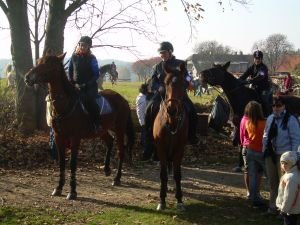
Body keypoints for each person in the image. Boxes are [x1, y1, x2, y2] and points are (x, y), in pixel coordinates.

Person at [145, 41, 199, 146]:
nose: (161, 55)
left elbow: (187, 76)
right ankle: (149, 136)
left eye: (163, 52)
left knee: (192, 112)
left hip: (179, 95)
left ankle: (192, 136)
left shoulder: (180, 63)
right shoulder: (158, 67)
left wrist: (191, 82)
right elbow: (153, 82)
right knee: (148, 110)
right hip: (162, 94)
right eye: (160, 53)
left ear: (170, 52)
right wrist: (159, 87)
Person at [262, 96, 300, 214]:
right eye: (274, 106)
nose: (276, 108)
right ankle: (273, 206)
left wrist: (294, 157)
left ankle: (284, 209)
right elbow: (265, 135)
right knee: (272, 181)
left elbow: (296, 139)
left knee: (284, 183)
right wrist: (264, 149)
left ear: (284, 106)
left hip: (285, 157)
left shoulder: (290, 120)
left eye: (278, 105)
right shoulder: (270, 118)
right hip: (270, 154)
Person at [68, 36, 101, 132]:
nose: (82, 47)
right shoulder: (73, 57)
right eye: (81, 45)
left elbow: (96, 75)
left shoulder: (92, 58)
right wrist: (73, 83)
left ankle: (97, 123)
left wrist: (85, 85)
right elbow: (70, 71)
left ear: (88, 47)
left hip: (89, 86)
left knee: (89, 100)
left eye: (84, 45)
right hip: (75, 86)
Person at [240, 101, 266, 207]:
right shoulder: (265, 122)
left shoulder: (246, 122)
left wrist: (243, 144)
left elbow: (242, 135)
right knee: (265, 174)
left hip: (249, 148)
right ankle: (258, 194)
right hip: (261, 150)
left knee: (251, 173)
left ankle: (252, 196)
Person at [239, 50, 272, 116]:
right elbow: (244, 75)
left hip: (264, 89)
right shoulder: (251, 67)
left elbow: (259, 77)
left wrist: (249, 81)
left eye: (259, 58)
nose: (257, 60)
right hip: (255, 88)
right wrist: (238, 81)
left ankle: (268, 116)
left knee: (263, 99)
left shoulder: (264, 68)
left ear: (261, 59)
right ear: (254, 59)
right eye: (256, 58)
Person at [276, 151, 300, 225]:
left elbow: (289, 196)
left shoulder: (291, 178)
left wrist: (284, 210)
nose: (283, 165)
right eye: (282, 163)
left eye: (286, 163)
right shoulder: (290, 174)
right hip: (293, 209)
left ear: (293, 163)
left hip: (290, 210)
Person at [136, 83, 151, 160]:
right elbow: (141, 111)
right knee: (145, 139)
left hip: (144, 121)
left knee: (145, 138)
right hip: (145, 122)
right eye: (148, 89)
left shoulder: (141, 97)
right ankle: (145, 155)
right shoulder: (143, 99)